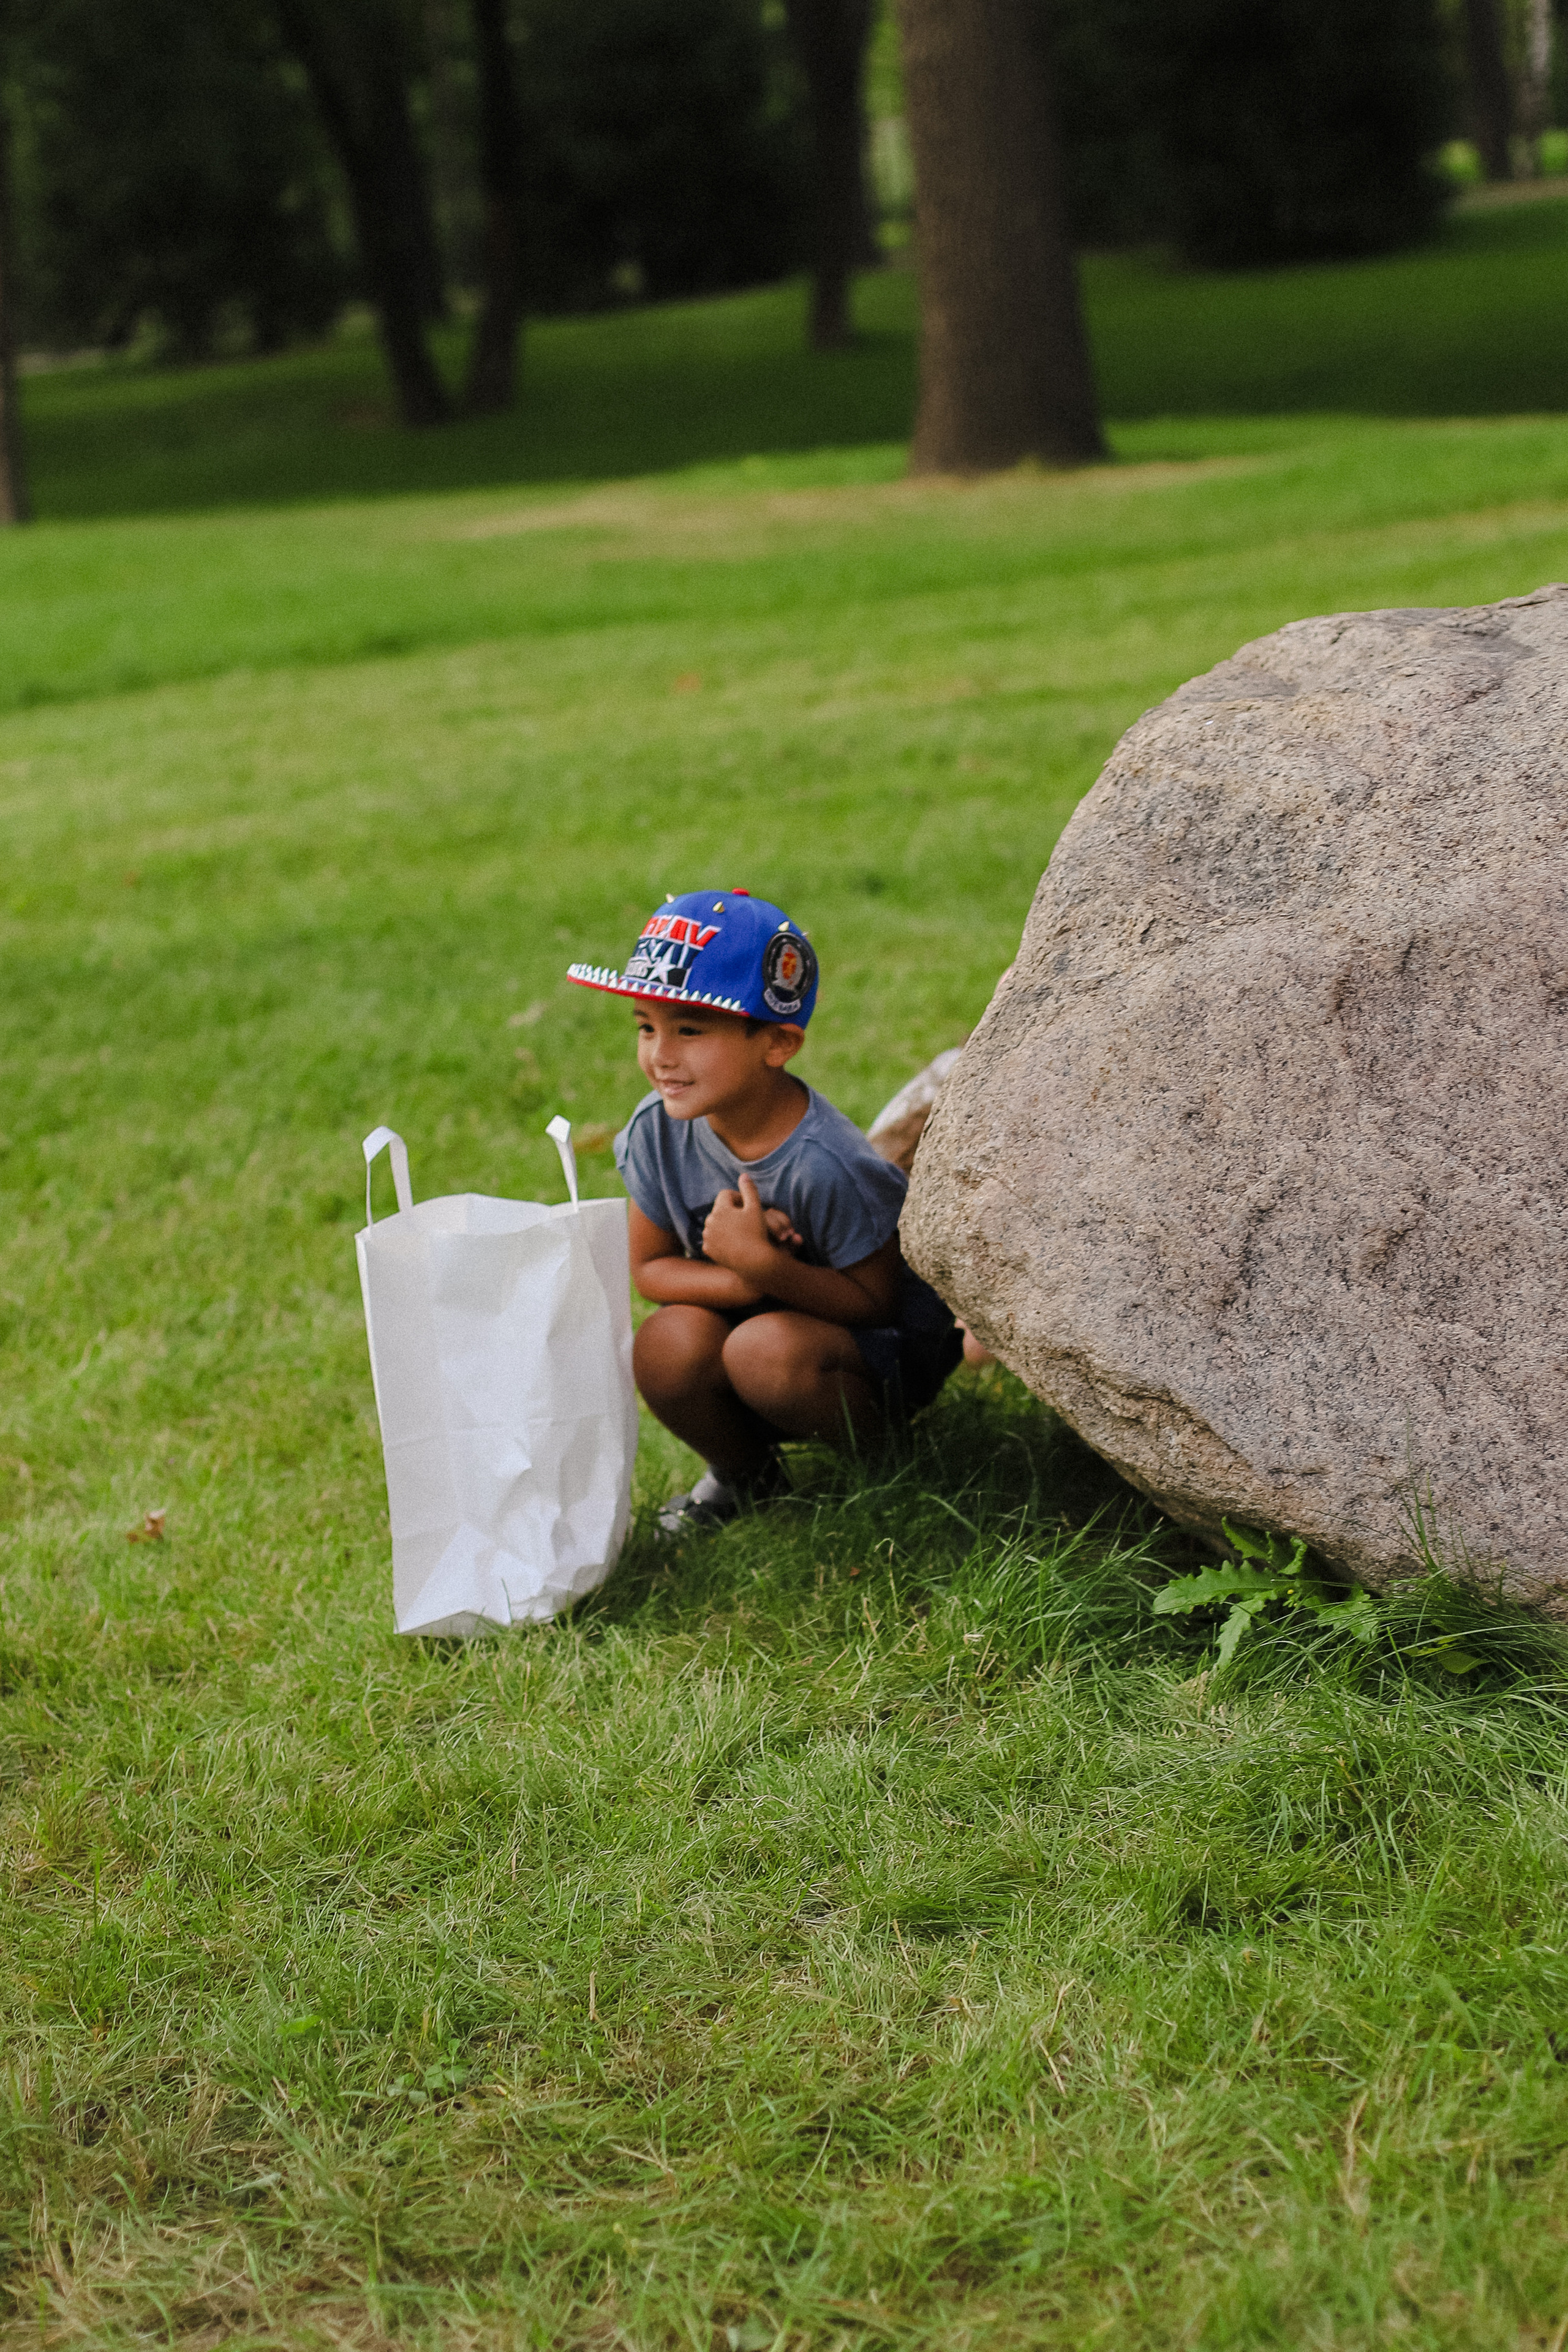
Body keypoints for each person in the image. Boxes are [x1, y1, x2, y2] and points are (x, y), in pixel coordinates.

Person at [567, 889, 960, 1532]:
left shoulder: (825, 1162)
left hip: (868, 1357)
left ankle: (889, 1471)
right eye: (646, 1026)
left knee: (763, 1351)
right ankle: (747, 1475)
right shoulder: (654, 1133)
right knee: (665, 1343)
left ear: (776, 1043)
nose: (660, 1055)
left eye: (689, 1030)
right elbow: (651, 1271)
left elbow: (881, 1304)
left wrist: (765, 1268)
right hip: (759, 1317)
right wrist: (747, 1273)